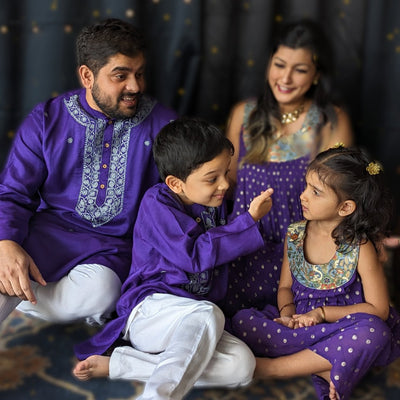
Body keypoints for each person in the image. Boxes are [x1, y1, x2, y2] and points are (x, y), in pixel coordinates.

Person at [73, 117, 274, 400]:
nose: (225, 184)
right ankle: (157, 396)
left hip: (192, 324)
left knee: (242, 365)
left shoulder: (212, 205)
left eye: (226, 173)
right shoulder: (157, 204)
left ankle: (121, 363)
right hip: (151, 313)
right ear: (175, 184)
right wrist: (249, 220)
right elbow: (194, 256)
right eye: (212, 178)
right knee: (207, 313)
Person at [0, 18, 177, 326]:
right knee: (8, 268)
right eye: (120, 76)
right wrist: (6, 243)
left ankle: (25, 297)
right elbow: (13, 193)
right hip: (46, 238)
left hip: (111, 251)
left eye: (139, 74)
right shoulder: (47, 120)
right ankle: (20, 289)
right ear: (87, 75)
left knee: (102, 291)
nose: (135, 86)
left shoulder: (165, 126)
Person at [230, 146, 400, 400]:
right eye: (306, 187)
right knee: (241, 321)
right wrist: (289, 316)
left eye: (315, 192)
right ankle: (327, 366)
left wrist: (321, 314)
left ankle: (273, 368)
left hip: (342, 327)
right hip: (299, 326)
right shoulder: (295, 234)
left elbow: (379, 309)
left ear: (345, 208)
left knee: (375, 333)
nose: (303, 196)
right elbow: (285, 287)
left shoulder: (359, 247)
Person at [223, 19, 354, 317]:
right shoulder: (244, 114)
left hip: (300, 256)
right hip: (242, 251)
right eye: (279, 65)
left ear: (317, 75)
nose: (286, 78)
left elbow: (340, 197)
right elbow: (226, 186)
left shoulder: (329, 122)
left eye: (301, 69)